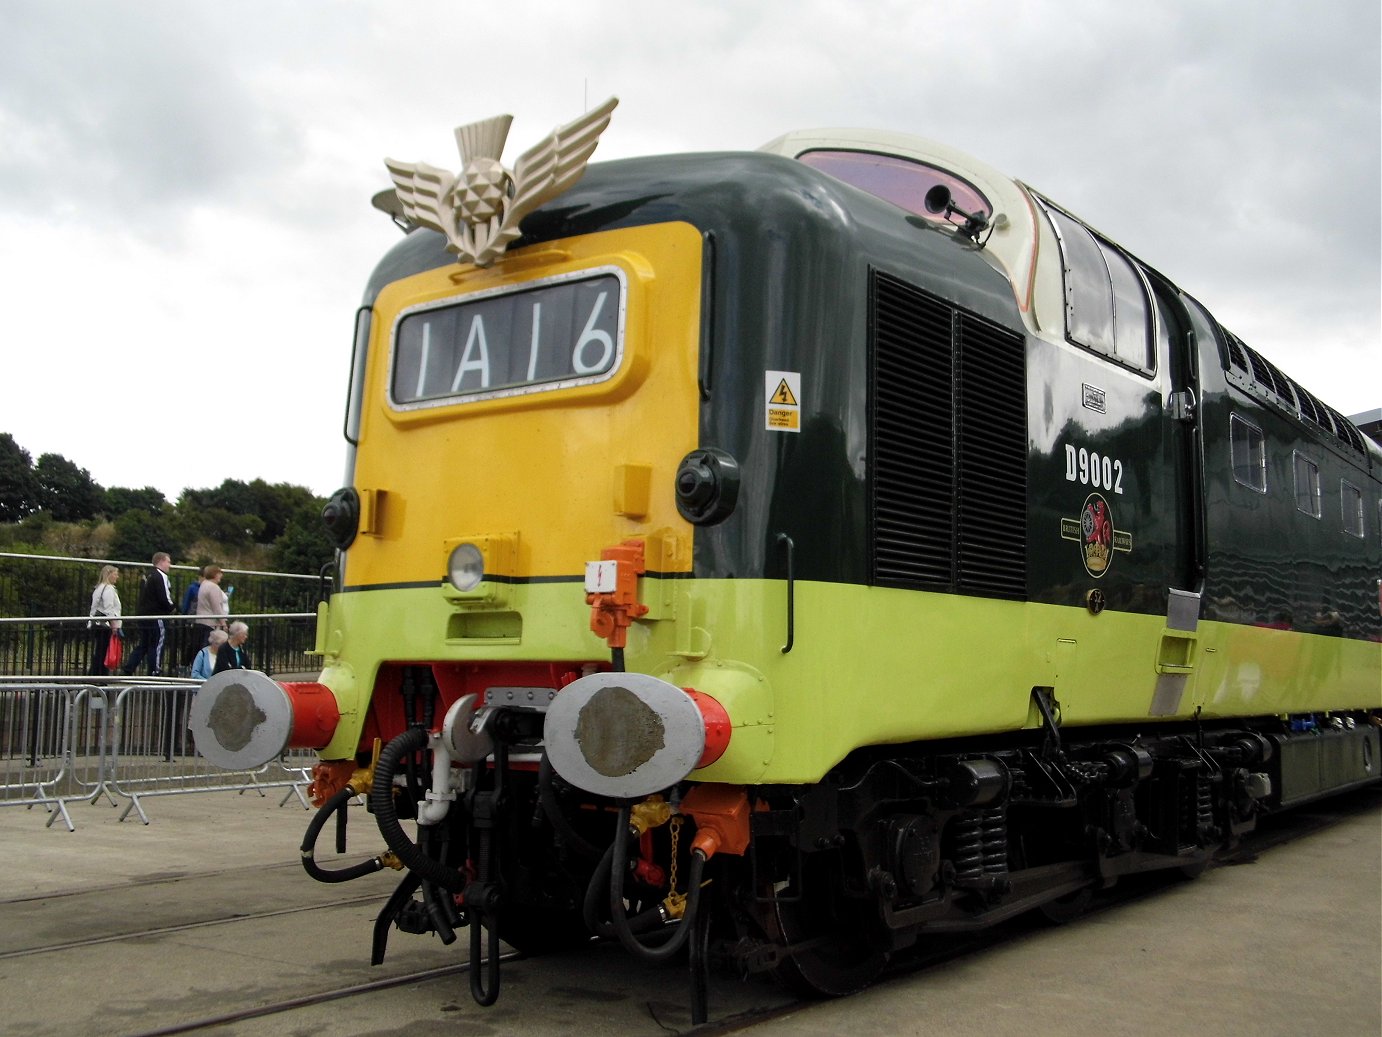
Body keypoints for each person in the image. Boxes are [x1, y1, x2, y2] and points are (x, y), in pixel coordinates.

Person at [125, 551, 178, 677]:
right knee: (157, 643)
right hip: (156, 615)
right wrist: (173, 608)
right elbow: (165, 597)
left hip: (143, 614)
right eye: (168, 562)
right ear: (161, 561)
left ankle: (129, 668)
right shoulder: (161, 576)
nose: (169, 565)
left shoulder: (147, 575)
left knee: (144, 644)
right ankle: (155, 669)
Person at [86, 564, 122, 676]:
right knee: (103, 651)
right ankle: (100, 675)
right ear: (109, 574)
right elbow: (109, 608)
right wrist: (114, 625)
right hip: (105, 624)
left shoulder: (98, 588)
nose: (117, 577)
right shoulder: (109, 589)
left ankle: (94, 674)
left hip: (96, 623)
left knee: (99, 651)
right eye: (115, 574)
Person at [193, 566, 230, 657]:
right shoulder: (214, 587)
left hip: (200, 621)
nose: (221, 576)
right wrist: (223, 623)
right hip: (210, 623)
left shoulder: (204, 584)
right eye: (219, 573)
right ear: (215, 574)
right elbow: (216, 607)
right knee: (209, 649)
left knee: (201, 649)